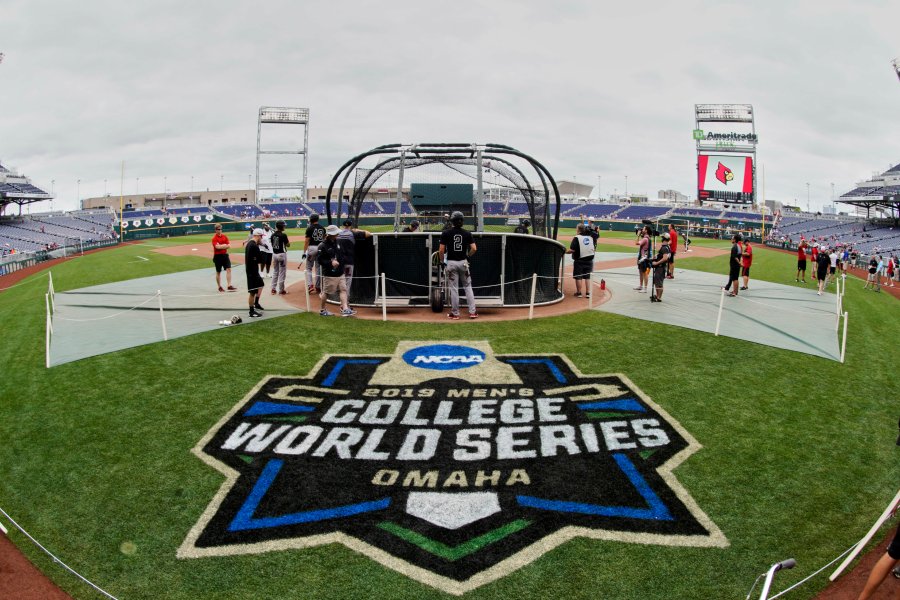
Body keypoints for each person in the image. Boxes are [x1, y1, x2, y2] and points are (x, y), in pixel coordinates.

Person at [439, 211, 477, 319]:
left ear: (452, 221)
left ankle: (455, 314)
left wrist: (442, 262)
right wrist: (468, 256)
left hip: (451, 263)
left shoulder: (446, 233)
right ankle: (472, 312)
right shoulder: (467, 233)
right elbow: (474, 248)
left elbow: (441, 250)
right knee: (468, 287)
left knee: (454, 289)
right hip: (463, 263)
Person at [316, 224, 355, 317]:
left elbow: (340, 255)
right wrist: (331, 262)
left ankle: (345, 309)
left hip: (340, 272)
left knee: (343, 289)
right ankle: (322, 310)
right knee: (326, 292)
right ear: (330, 234)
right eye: (336, 233)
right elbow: (320, 260)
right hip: (330, 274)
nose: (338, 234)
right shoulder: (322, 245)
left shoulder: (337, 242)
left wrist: (342, 262)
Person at [337, 219, 372, 295]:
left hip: (339, 262)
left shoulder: (338, 234)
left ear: (343, 226)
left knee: (340, 281)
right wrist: (357, 230)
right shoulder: (352, 233)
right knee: (347, 282)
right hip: (348, 262)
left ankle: (341, 300)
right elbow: (369, 234)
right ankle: (345, 302)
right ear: (350, 226)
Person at [567, 223, 596, 298]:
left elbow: (572, 250)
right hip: (590, 260)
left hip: (580, 260)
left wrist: (564, 251)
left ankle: (579, 293)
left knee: (578, 276)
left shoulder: (577, 237)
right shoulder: (590, 237)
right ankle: (588, 293)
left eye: (576, 228)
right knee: (587, 277)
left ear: (578, 229)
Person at [301, 213, 326, 294]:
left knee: (308, 268)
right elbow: (324, 239)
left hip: (312, 248)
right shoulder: (322, 228)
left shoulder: (309, 228)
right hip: (320, 248)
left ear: (311, 219)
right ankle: (318, 286)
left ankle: (310, 285)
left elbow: (306, 241)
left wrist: (304, 252)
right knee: (318, 268)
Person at [244, 228, 266, 318]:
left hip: (252, 270)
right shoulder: (254, 246)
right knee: (252, 292)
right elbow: (260, 260)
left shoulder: (250, 244)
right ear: (258, 235)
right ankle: (251, 311)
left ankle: (256, 303)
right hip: (252, 271)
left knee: (261, 284)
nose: (261, 238)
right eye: (261, 236)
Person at [211, 224, 237, 292]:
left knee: (229, 269)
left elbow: (229, 246)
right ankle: (219, 286)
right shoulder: (214, 238)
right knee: (218, 272)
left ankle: (229, 285)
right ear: (216, 230)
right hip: (217, 256)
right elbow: (217, 247)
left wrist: (222, 246)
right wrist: (224, 245)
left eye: (220, 229)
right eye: (218, 229)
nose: (220, 231)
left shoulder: (225, 236)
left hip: (225, 255)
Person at [269, 220, 290, 295]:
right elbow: (288, 245)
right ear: (281, 226)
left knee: (275, 272)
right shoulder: (283, 235)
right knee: (282, 273)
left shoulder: (272, 235)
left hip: (274, 255)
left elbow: (272, 244)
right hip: (281, 254)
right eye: (283, 225)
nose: (284, 226)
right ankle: (281, 290)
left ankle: (273, 289)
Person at [650, 232, 671, 303]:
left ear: (664, 239)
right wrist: (656, 256)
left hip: (660, 267)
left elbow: (665, 258)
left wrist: (656, 262)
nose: (661, 239)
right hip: (660, 267)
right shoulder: (666, 247)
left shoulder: (665, 248)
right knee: (657, 282)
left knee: (659, 283)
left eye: (662, 237)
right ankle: (657, 295)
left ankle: (659, 297)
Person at [634, 225, 651, 293]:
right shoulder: (647, 238)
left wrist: (638, 235)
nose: (642, 230)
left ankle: (645, 288)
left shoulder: (645, 239)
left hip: (643, 258)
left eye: (643, 229)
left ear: (646, 230)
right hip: (644, 257)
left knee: (644, 273)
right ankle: (641, 286)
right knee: (641, 272)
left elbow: (636, 243)